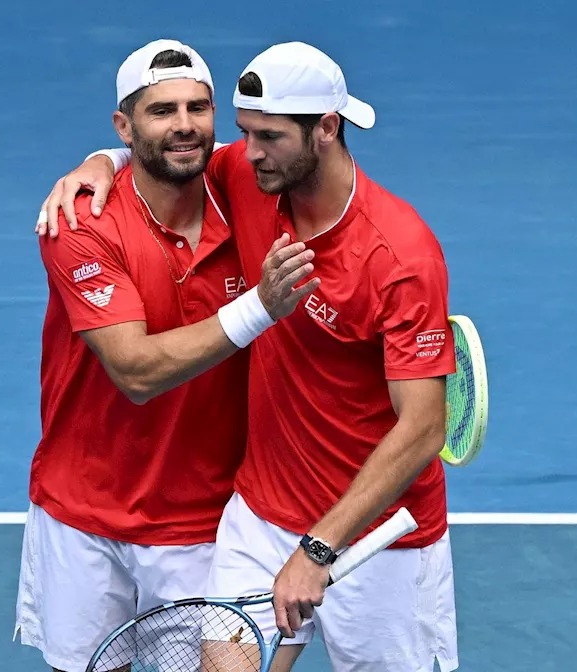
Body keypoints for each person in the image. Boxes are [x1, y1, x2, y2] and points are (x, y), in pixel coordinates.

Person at [36, 41, 460, 672]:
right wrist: (102, 159)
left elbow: (423, 425)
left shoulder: (400, 256)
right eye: (243, 133)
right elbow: (166, 153)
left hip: (375, 534)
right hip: (261, 516)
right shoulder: (254, 181)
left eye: (268, 137)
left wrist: (319, 549)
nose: (245, 152)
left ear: (325, 129)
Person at [16, 39, 320, 672]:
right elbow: (134, 370)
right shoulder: (82, 222)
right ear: (125, 126)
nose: (184, 125)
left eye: (198, 108)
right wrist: (260, 306)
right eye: (161, 111)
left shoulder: (244, 185)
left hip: (207, 525)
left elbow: (317, 160)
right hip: (83, 513)